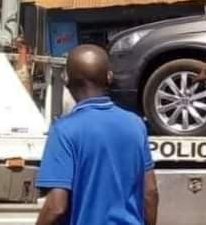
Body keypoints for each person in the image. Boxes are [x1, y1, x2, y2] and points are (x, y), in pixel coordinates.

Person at [35, 45, 158, 225]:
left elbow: (56, 206)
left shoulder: (64, 130)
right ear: (109, 77)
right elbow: (150, 192)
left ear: (66, 79)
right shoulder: (135, 124)